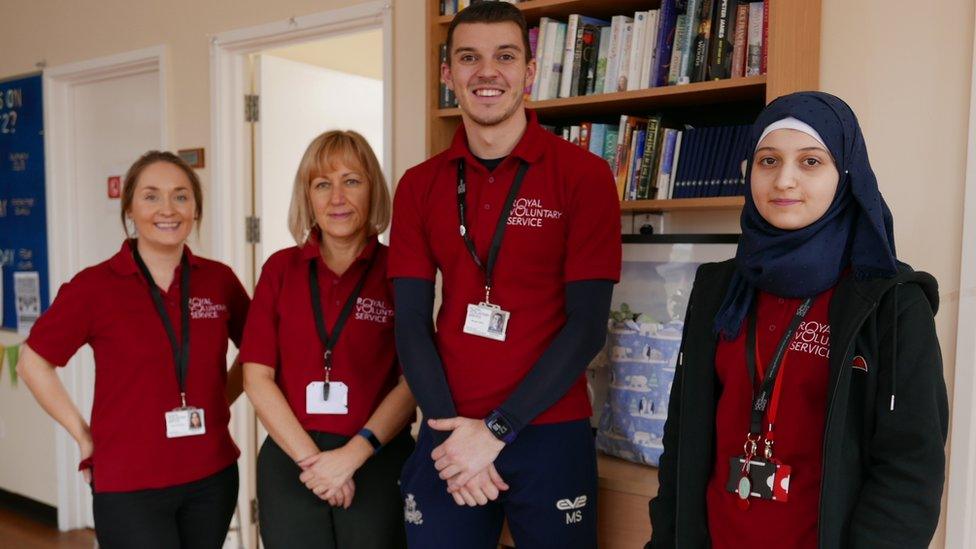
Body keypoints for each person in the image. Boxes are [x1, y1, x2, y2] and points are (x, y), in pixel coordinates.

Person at [647, 91, 948, 548]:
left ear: (846, 175)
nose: (784, 180)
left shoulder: (892, 301)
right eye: (768, 161)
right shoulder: (717, 288)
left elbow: (910, 469)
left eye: (810, 162)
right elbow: (682, 438)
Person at [388, 3, 621, 548]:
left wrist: (495, 432)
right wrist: (453, 437)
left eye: (505, 56)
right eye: (469, 57)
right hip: (447, 432)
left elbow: (586, 328)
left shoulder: (584, 176)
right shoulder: (419, 185)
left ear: (529, 72)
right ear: (449, 75)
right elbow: (410, 324)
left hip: (550, 430)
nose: (486, 72)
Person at [17, 151, 250, 548]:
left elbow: (258, 356)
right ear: (129, 208)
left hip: (211, 476)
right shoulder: (94, 287)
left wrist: (218, 402)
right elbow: (33, 362)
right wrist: (84, 436)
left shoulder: (219, 281)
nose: (167, 209)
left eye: (181, 196)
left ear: (195, 208)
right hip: (128, 482)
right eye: (151, 196)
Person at [241, 130, 416, 548]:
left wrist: (351, 457)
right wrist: (314, 463)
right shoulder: (279, 270)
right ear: (308, 197)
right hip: (292, 459)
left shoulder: (400, 271)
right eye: (323, 184)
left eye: (351, 180)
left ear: (372, 189)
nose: (337, 197)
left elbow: (413, 381)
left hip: (376, 458)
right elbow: (256, 377)